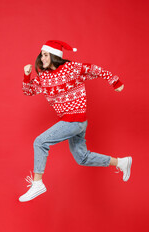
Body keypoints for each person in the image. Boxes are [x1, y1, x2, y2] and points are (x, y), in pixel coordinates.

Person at [19, 40, 132, 202]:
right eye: (41, 55)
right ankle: (121, 162)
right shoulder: (43, 78)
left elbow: (95, 69)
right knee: (82, 158)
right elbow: (28, 91)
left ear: (53, 55)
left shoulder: (70, 69)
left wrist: (115, 81)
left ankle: (37, 183)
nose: (41, 58)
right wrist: (27, 75)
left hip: (75, 120)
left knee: (40, 142)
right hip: (73, 122)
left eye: (45, 55)